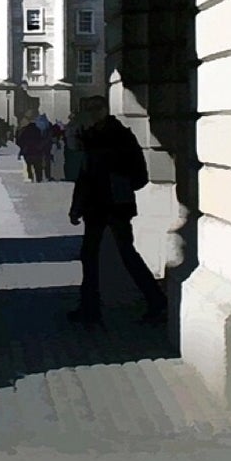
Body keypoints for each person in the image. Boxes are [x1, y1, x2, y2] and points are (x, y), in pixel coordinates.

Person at [66, 93, 166, 328]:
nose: (92, 114)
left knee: (122, 255)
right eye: (89, 110)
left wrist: (117, 184)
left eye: (95, 109)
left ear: (104, 110)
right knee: (91, 255)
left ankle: (155, 300)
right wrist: (76, 206)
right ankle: (90, 306)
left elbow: (139, 175)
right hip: (99, 206)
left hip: (113, 205)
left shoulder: (119, 137)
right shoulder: (91, 138)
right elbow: (83, 177)